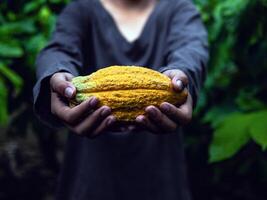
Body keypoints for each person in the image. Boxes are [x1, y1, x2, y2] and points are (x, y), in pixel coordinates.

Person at [33, 0, 209, 199]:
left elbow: (192, 50)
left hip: (159, 172)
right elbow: (57, 49)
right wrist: (57, 74)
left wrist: (183, 75)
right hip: (90, 172)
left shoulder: (179, 9)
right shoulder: (82, 9)